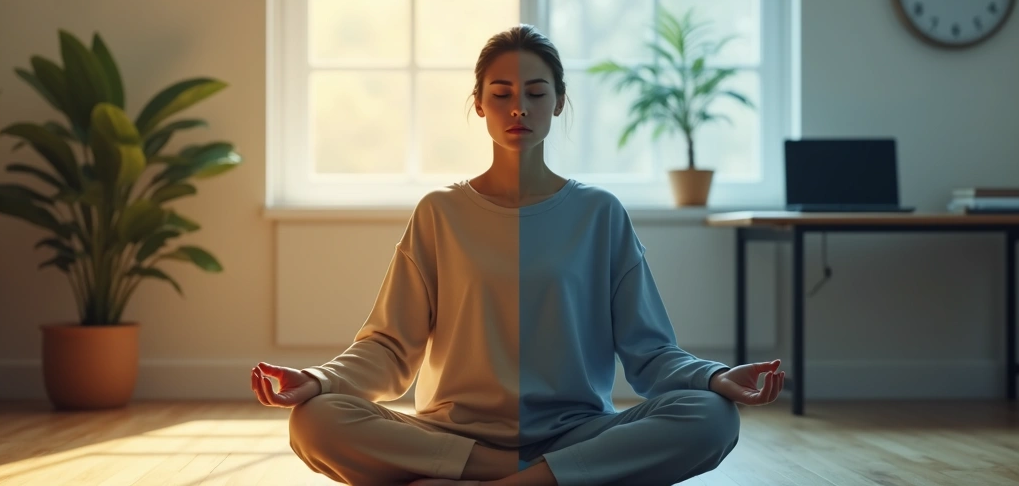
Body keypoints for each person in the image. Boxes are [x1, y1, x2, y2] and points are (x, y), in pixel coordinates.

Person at [250, 25, 785, 486]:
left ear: (559, 101)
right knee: (314, 420)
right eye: (501, 93)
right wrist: (318, 380)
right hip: (454, 436)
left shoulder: (600, 213)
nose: (518, 108)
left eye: (535, 92)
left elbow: (650, 352)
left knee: (713, 417)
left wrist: (713, 378)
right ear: (479, 103)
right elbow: (389, 348)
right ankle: (546, 479)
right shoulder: (439, 212)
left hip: (575, 432)